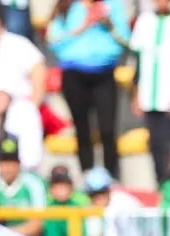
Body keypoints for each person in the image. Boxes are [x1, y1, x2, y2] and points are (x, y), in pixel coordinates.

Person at [48, 0, 131, 179]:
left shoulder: (113, 5)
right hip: (74, 73)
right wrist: (82, 27)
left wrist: (109, 25)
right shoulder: (66, 5)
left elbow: (126, 41)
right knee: (82, 129)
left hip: (104, 72)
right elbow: (53, 41)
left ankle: (111, 176)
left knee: (108, 129)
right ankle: (87, 176)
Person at [129, 0, 170, 183]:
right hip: (149, 96)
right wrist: (135, 94)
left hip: (169, 96)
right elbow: (139, 61)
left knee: (169, 145)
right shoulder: (145, 20)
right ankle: (161, 184)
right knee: (154, 145)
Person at [0, 135, 47, 236]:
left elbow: (37, 223)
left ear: (19, 163)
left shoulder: (33, 183)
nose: (8, 168)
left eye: (12, 162)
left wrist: (7, 235)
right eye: (4, 163)